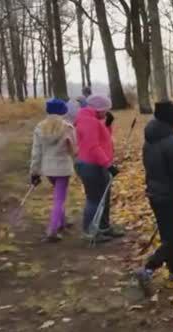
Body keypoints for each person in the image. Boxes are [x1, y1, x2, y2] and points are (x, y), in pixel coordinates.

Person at [135, 101, 173, 296]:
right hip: (170, 195)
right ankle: (148, 268)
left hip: (155, 193)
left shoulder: (150, 138)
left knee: (168, 235)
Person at [74, 95, 124, 242]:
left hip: (97, 164)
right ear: (98, 109)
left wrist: (108, 124)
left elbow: (104, 139)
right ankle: (90, 231)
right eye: (105, 110)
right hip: (91, 165)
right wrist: (108, 164)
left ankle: (104, 227)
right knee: (94, 199)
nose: (106, 113)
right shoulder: (89, 122)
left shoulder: (93, 120)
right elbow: (93, 147)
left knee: (104, 197)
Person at [29, 98, 77, 242]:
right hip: (63, 168)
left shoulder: (40, 127)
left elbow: (36, 152)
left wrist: (34, 172)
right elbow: (73, 149)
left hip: (48, 169)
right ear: (62, 111)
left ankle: (62, 222)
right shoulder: (67, 127)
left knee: (58, 196)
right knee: (59, 199)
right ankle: (52, 230)